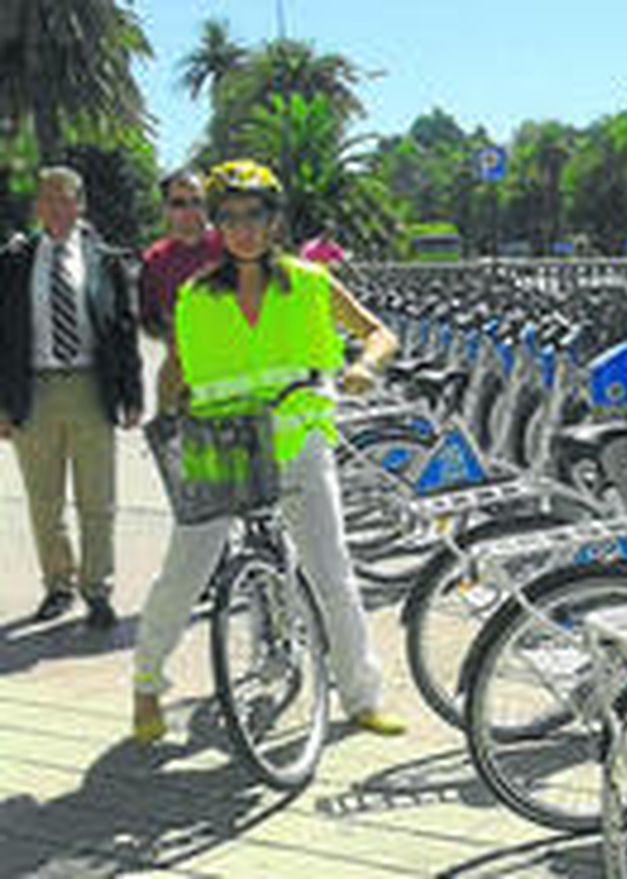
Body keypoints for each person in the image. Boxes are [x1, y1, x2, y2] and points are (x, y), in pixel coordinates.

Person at [131, 159, 405, 743]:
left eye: (254, 215)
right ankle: (147, 684)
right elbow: (179, 368)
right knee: (184, 571)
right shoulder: (196, 295)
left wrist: (363, 367)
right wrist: (163, 427)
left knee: (333, 575)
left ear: (274, 220)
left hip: (297, 442)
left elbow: (381, 334)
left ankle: (362, 696)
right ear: (217, 223)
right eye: (228, 217)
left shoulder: (310, 282)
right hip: (219, 445)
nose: (242, 229)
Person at [0, 166, 144, 629]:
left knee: (97, 500)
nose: (57, 208)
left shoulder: (104, 260)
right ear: (37, 206)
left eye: (65, 199)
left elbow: (124, 331)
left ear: (80, 205)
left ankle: (97, 590)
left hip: (90, 388)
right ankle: (58, 585)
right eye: (47, 199)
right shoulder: (14, 260)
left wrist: (133, 394)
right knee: (44, 502)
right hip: (33, 390)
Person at [139, 168, 223, 413]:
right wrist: (171, 335)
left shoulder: (231, 247)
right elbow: (148, 319)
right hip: (179, 377)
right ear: (165, 209)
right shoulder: (154, 259)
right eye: (179, 203)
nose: (189, 210)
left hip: (234, 369)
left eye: (197, 201)